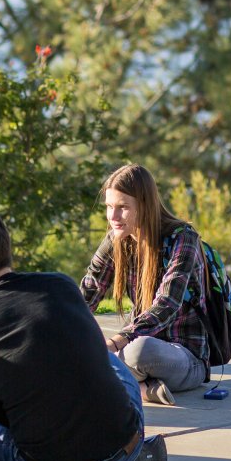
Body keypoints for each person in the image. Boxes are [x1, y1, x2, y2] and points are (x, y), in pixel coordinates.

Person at [0, 210, 166, 461]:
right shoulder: (60, 285)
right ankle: (129, 449)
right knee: (109, 361)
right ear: (5, 250)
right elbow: (93, 351)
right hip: (121, 450)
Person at [80, 164, 209, 405]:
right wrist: (61, 328)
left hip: (183, 358)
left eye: (123, 208)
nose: (113, 217)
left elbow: (166, 305)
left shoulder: (183, 238)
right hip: (131, 349)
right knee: (74, 351)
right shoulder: (118, 238)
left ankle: (120, 381)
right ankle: (140, 387)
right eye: (109, 207)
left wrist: (115, 341)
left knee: (140, 350)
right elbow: (89, 290)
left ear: (145, 205)